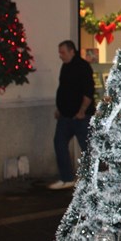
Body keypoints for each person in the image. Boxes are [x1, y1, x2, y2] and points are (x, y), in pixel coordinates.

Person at [49, 40, 94, 190]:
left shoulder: (83, 67)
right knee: (59, 143)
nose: (60, 56)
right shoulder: (65, 67)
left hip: (81, 117)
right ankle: (66, 177)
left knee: (88, 147)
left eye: (62, 52)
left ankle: (95, 178)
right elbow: (63, 89)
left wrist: (82, 110)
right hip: (65, 115)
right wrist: (60, 108)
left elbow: (88, 91)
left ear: (71, 51)